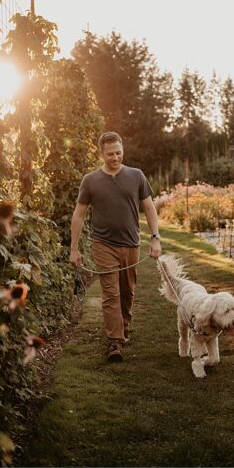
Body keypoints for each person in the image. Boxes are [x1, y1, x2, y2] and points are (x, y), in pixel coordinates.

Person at [70, 132, 161, 362]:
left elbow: (149, 208)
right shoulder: (90, 180)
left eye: (118, 152)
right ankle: (115, 342)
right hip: (103, 244)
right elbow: (79, 215)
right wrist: (74, 248)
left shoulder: (136, 176)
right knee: (111, 293)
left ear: (123, 150)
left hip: (131, 243)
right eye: (110, 154)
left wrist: (155, 237)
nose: (115, 157)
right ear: (101, 153)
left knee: (127, 292)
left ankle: (123, 327)